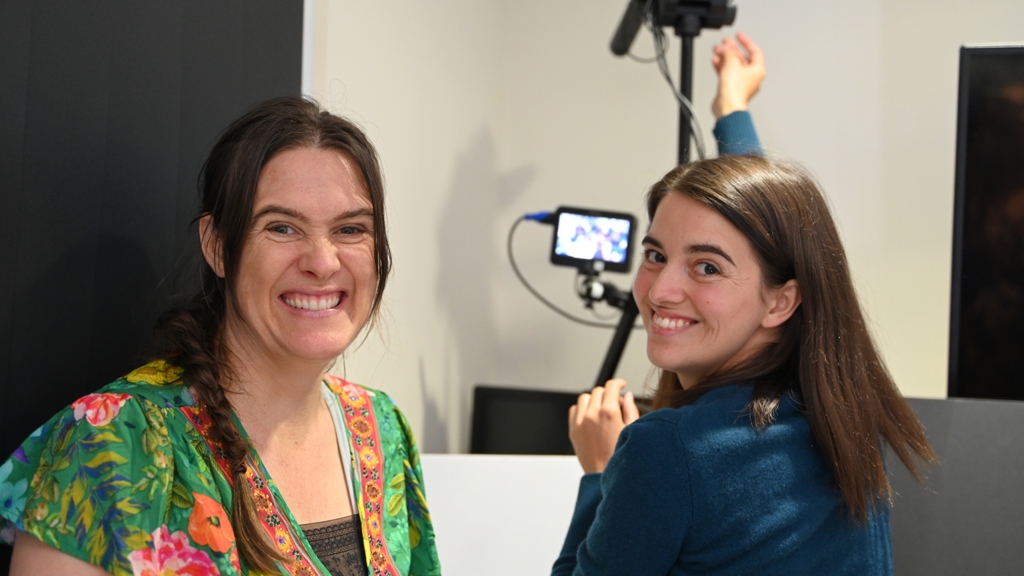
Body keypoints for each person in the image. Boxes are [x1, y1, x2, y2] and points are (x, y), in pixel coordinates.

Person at [1, 97, 440, 576]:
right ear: (216, 245)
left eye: (350, 229)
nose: (322, 261)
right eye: (283, 227)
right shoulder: (110, 441)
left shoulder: (381, 428)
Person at [551, 37, 935, 576]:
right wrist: (732, 107)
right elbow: (770, 222)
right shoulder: (846, 415)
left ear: (781, 301)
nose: (660, 292)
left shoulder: (663, 452)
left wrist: (600, 474)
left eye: (706, 267)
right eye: (656, 255)